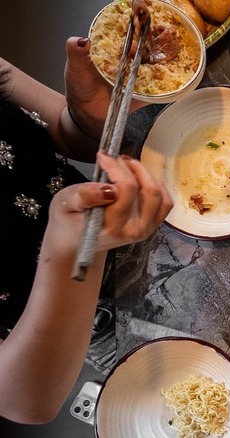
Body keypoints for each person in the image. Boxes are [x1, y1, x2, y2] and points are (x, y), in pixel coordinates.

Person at [0, 1, 172, 423]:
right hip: (99, 323)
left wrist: (94, 112)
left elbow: (64, 132)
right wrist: (74, 246)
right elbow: (25, 401)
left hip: (154, 207)